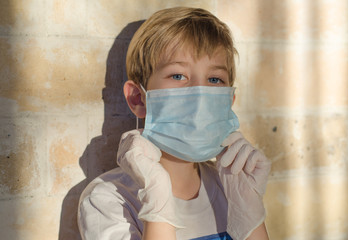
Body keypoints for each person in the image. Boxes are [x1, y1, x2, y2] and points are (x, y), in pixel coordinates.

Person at [78, 7, 271, 240]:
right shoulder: (108, 199)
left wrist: (249, 213)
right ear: (138, 98)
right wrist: (156, 196)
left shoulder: (231, 187)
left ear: (228, 101)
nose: (200, 94)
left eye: (214, 79)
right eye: (178, 75)